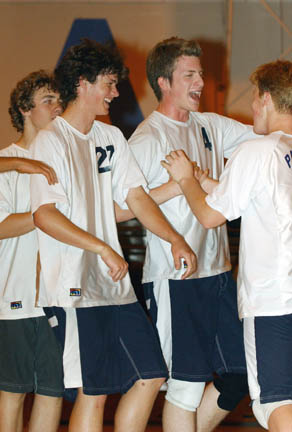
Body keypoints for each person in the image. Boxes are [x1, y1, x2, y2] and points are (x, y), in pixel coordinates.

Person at [29, 39, 197, 432]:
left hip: (114, 286)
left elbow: (136, 198)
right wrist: (101, 246)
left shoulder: (111, 138)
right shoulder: (51, 142)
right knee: (95, 390)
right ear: (83, 83)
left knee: (151, 375)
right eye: (108, 83)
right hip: (73, 286)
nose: (116, 93)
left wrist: (174, 237)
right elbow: (44, 215)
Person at [118, 37, 256, 432]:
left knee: (238, 375)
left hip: (216, 275)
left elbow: (267, 137)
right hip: (175, 278)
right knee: (185, 385)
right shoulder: (148, 139)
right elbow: (119, 208)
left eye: (201, 73)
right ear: (164, 82)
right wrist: (177, 186)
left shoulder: (209, 125)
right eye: (189, 74)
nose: (200, 81)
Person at [161, 59, 292, 432]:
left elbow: (209, 217)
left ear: (266, 98)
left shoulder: (257, 151)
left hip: (272, 300)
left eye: (254, 99)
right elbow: (257, 201)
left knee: (275, 404)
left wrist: (186, 179)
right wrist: (205, 180)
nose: (252, 108)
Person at [0, 70, 64, 432]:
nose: (57, 108)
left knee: (53, 391)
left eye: (59, 100)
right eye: (47, 101)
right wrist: (46, 216)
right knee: (13, 391)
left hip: (59, 295)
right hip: (16, 296)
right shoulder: (7, 163)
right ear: (25, 109)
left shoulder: (64, 161)